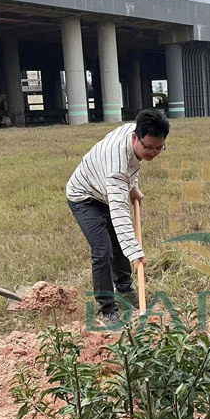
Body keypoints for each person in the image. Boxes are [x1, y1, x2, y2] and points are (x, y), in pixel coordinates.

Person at [66, 108, 169, 324]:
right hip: (84, 196)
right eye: (148, 147)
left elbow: (135, 164)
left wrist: (133, 186)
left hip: (106, 189)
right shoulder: (116, 165)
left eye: (159, 148)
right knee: (103, 251)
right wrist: (134, 252)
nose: (152, 152)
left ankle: (124, 288)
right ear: (135, 138)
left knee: (119, 244)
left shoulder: (137, 135)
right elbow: (120, 212)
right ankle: (107, 308)